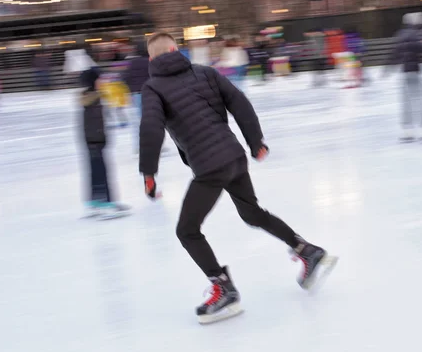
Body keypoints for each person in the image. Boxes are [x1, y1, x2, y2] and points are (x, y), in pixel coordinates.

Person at [139, 33, 337, 324]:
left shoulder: (152, 87)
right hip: (234, 157)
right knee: (252, 212)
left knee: (187, 230)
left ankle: (223, 289)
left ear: (152, 58)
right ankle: (306, 250)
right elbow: (238, 101)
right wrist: (255, 141)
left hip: (209, 167)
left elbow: (151, 128)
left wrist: (149, 172)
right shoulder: (205, 72)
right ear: (175, 50)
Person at [79, 67, 130, 219]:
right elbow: (93, 123)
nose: (103, 81)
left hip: (95, 141)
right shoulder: (92, 98)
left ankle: (96, 202)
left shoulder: (93, 97)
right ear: (93, 81)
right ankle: (106, 202)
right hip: (95, 141)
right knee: (101, 173)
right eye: (100, 79)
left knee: (96, 172)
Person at [391, 12, 422, 141]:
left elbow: (394, 53)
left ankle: (407, 130)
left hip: (405, 72)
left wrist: (388, 68)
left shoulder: (400, 35)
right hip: (416, 71)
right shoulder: (416, 35)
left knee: (407, 102)